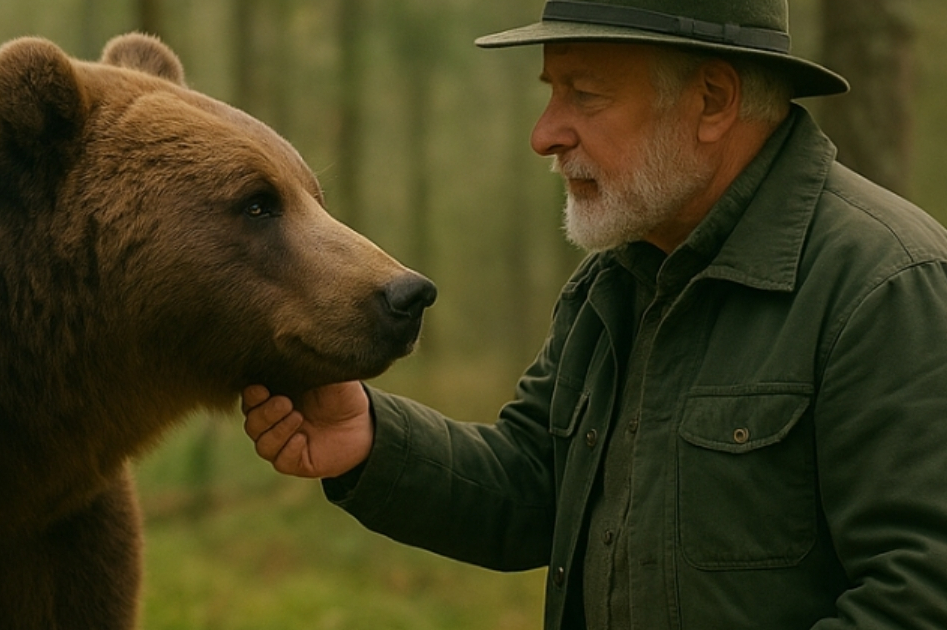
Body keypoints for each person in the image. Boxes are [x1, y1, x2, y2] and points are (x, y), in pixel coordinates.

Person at [241, 0, 947, 628]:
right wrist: (369, 435)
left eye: (585, 94)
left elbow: (919, 595)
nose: (545, 134)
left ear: (711, 100)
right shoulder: (616, 281)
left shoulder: (885, 287)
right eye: (553, 94)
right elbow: (534, 487)